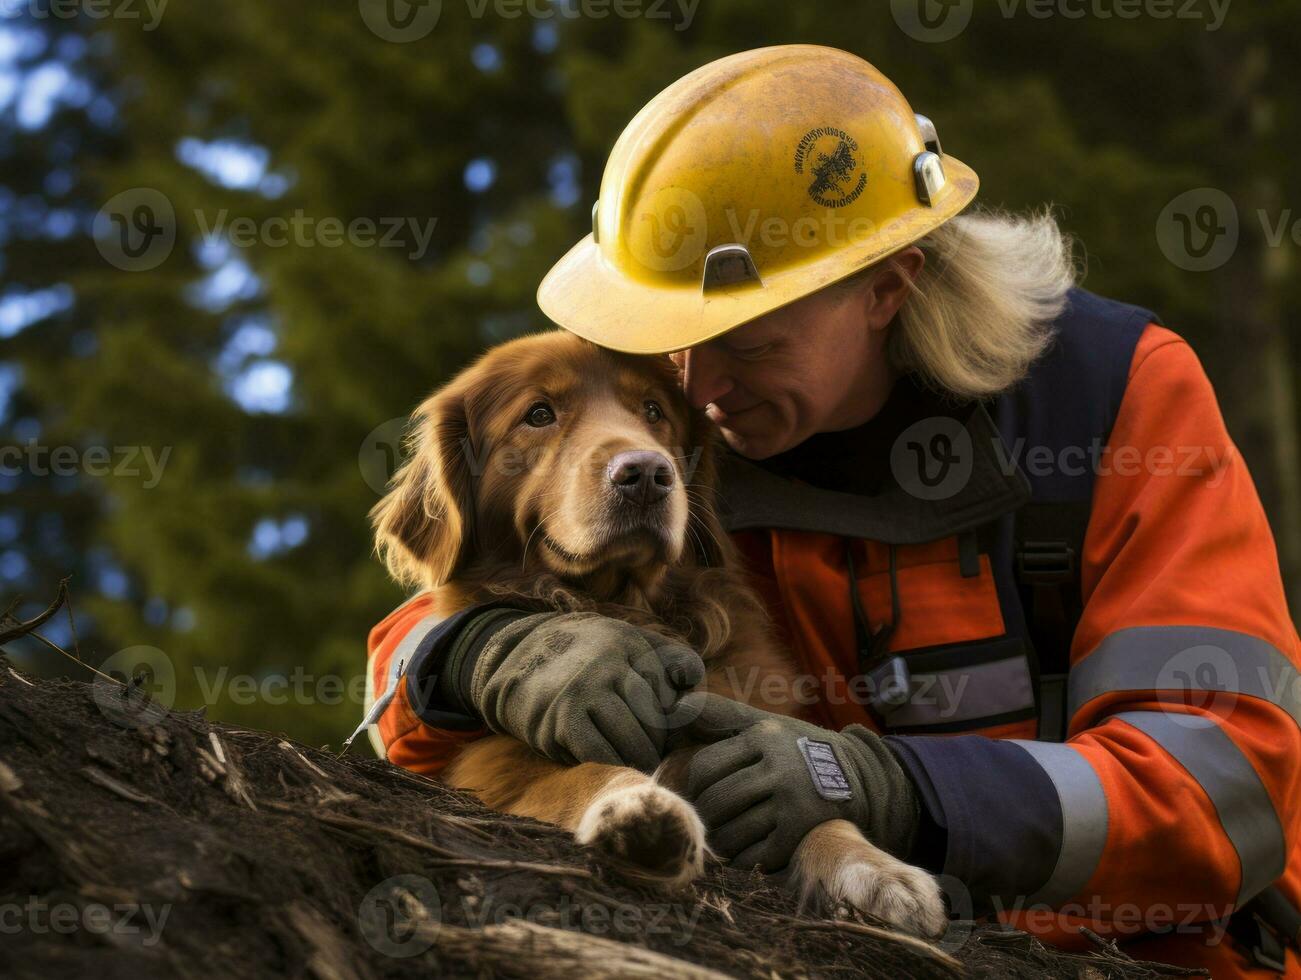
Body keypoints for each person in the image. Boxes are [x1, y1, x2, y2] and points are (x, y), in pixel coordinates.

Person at [364, 45, 1300, 977]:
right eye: (666, 343)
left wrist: (902, 795)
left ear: (889, 288)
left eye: (745, 343)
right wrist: (478, 656)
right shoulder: (704, 438)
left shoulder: (1107, 400)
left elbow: (1231, 787)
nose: (696, 390)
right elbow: (453, 608)